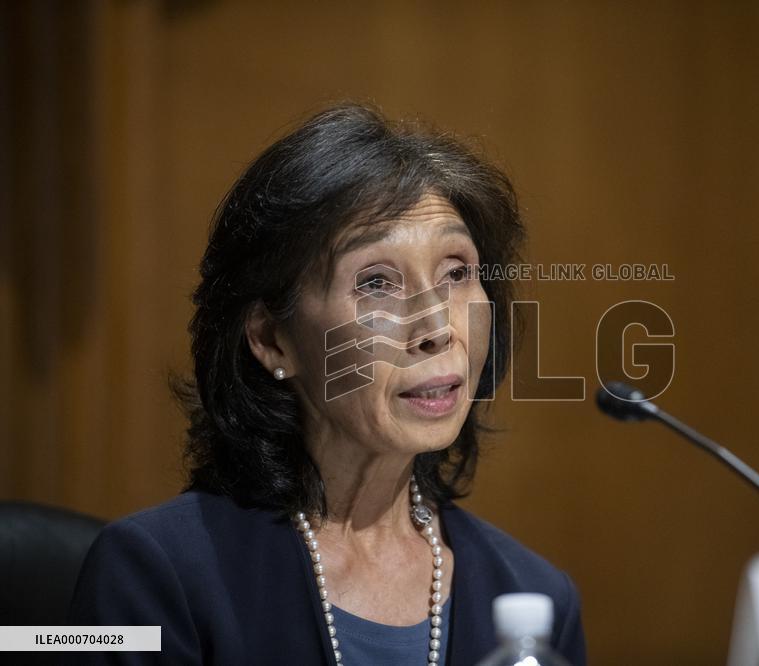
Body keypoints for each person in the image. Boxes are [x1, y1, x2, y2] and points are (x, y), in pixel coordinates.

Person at [66, 103, 587, 665]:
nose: (438, 328)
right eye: (376, 284)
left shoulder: (536, 602)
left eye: (457, 273)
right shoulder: (151, 575)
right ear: (272, 340)